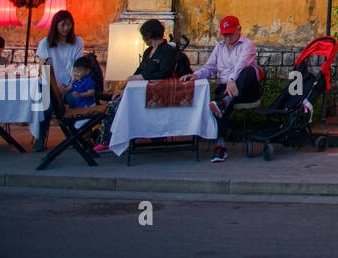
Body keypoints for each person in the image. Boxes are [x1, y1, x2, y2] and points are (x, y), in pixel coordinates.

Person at [179, 15, 260, 163]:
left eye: (231, 33)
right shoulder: (219, 47)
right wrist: (195, 75)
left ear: (239, 29)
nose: (227, 37)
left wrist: (232, 80)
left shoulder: (248, 44)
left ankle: (224, 102)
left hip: (247, 89)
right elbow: (210, 67)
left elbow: (241, 64)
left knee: (248, 71)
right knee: (221, 104)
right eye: (225, 34)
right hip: (227, 88)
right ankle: (220, 145)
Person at [92, 19, 176, 154]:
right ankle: (107, 139)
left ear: (149, 35)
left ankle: (107, 141)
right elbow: (139, 70)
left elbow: (164, 72)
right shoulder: (148, 51)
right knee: (114, 103)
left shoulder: (167, 51)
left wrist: (142, 77)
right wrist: (125, 88)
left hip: (156, 91)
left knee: (114, 106)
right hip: (140, 90)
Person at [35, 10, 84, 151]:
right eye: (62, 25)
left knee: (76, 100)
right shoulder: (45, 43)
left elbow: (78, 67)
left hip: (69, 84)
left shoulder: (77, 42)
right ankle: (41, 137)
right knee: (46, 105)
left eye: (69, 24)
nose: (66, 28)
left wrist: (68, 87)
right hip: (49, 83)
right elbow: (43, 68)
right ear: (56, 25)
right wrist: (56, 85)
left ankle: (76, 134)